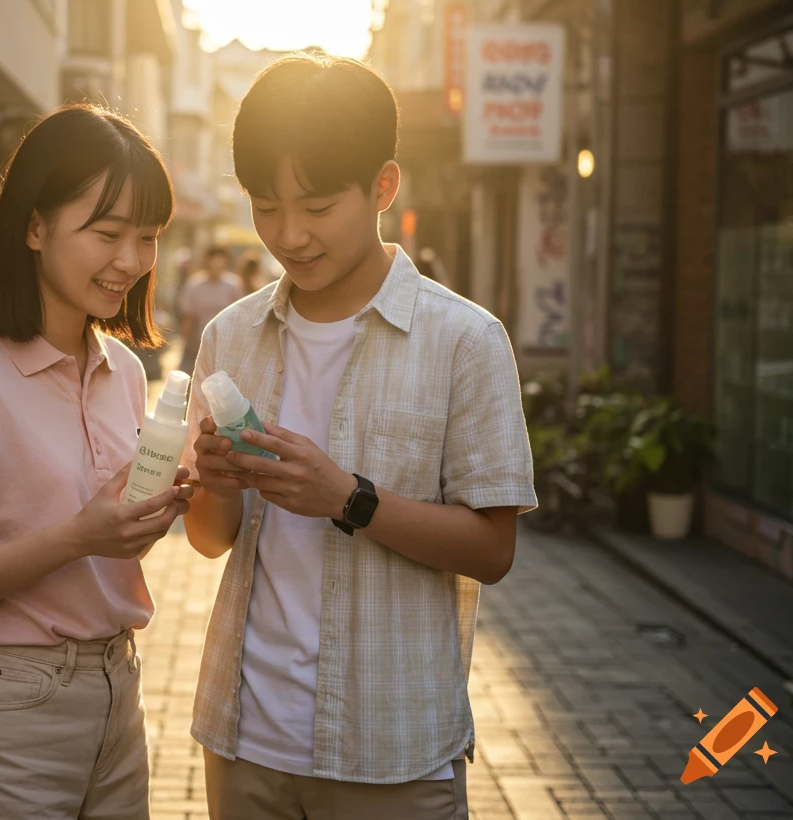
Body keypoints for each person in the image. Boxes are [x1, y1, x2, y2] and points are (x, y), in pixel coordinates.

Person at [179, 54, 537, 819]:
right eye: (265, 206)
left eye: (315, 204)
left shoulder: (464, 340)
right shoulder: (230, 336)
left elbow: (493, 550)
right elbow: (212, 542)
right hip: (244, 742)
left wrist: (348, 498)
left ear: (382, 185)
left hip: (393, 753)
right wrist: (214, 480)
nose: (289, 234)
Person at [0, 103, 194, 820]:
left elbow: (101, 542)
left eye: (147, 237)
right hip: (7, 714)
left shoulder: (122, 371)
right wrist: (81, 536)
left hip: (118, 695)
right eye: (108, 232)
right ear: (34, 226)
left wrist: (144, 519)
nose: (130, 259)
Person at [176, 245, 244, 375]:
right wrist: (184, 341)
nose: (217, 264)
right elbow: (188, 316)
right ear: (207, 261)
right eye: (214, 260)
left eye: (221, 260)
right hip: (197, 343)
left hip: (224, 344)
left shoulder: (233, 286)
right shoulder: (194, 285)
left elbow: (239, 317)